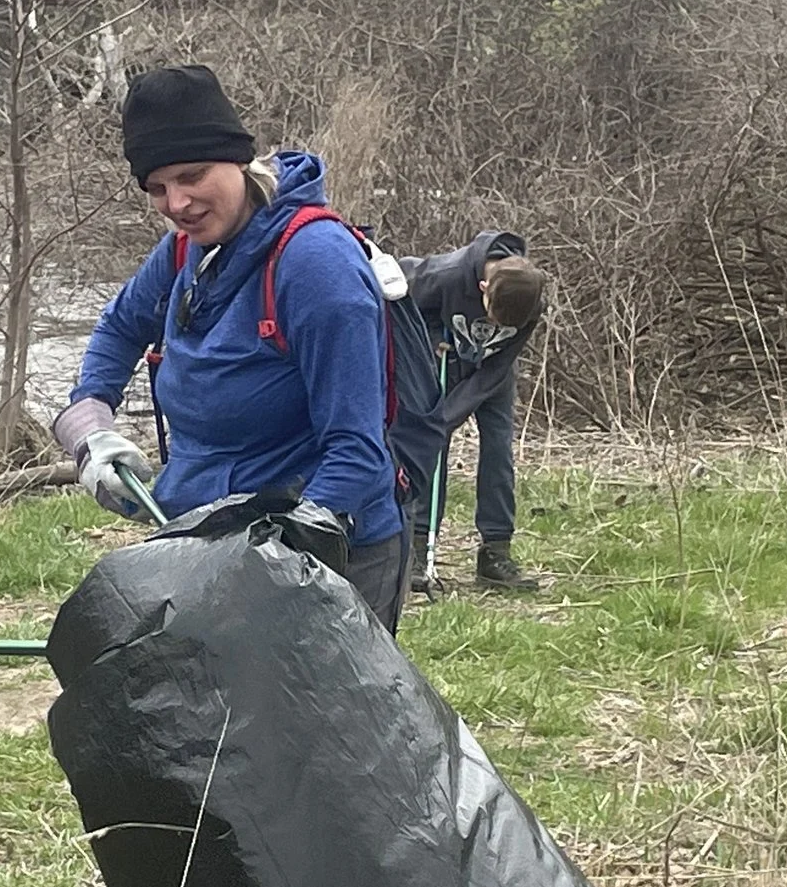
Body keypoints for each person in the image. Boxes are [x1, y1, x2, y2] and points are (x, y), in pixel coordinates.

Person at [54, 64, 408, 631]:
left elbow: (357, 450)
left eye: (191, 175)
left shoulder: (316, 266)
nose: (176, 203)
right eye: (156, 188)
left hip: (324, 557)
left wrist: (270, 563)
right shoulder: (185, 251)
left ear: (238, 160)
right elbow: (119, 329)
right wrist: (91, 432)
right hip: (204, 544)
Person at [405, 232, 552, 591]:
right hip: (445, 364)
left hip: (493, 374)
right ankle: (417, 549)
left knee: (499, 450)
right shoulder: (446, 275)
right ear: (483, 288)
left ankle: (495, 552)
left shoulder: (532, 300)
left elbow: (500, 365)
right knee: (432, 448)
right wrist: (430, 336)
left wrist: (451, 414)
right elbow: (403, 301)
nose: (498, 328)